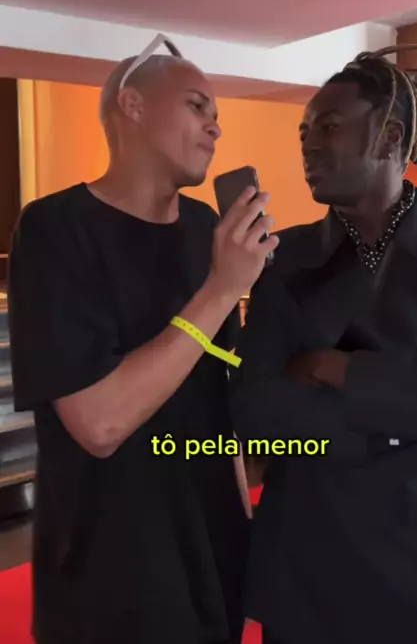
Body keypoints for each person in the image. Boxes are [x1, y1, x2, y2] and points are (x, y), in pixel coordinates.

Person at [7, 34, 278, 644]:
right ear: (131, 105)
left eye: (216, 115)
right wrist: (221, 289)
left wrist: (242, 526)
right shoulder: (55, 229)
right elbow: (99, 424)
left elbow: (219, 401)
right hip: (111, 572)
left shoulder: (207, 230)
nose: (215, 127)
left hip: (213, 555)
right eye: (196, 105)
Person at [231, 45, 417, 644]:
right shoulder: (282, 260)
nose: (309, 144)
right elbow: (257, 410)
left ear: (390, 137)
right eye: (304, 132)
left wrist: (331, 368)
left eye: (329, 127)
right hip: (310, 566)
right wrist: (416, 386)